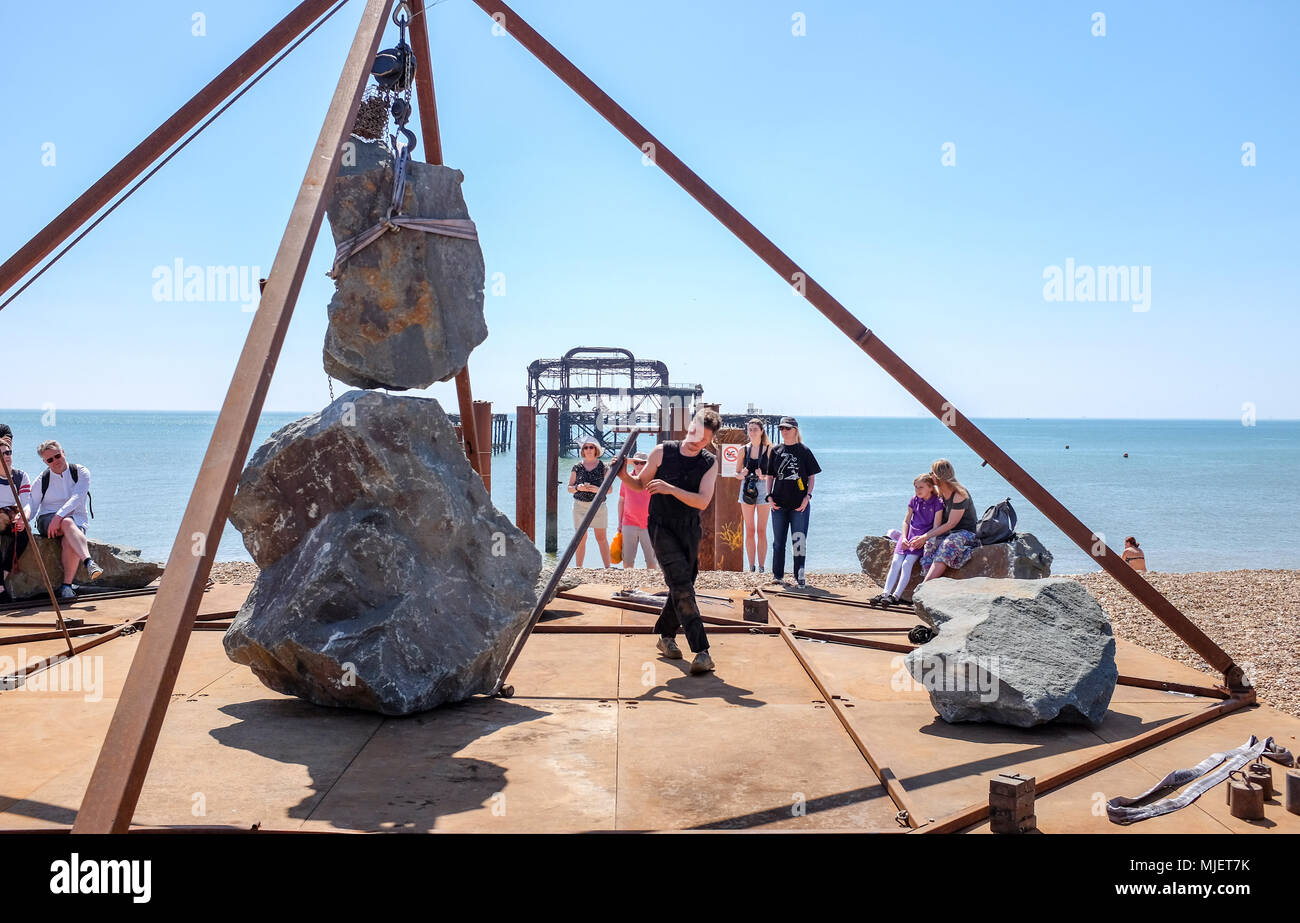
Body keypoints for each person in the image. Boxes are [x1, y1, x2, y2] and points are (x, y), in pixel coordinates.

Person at [617, 409, 721, 674]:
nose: (696, 441)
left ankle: (665, 636)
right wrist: (622, 476)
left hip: (689, 528)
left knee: (682, 584)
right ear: (689, 426)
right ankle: (702, 652)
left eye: (703, 440)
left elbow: (702, 501)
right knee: (681, 585)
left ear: (709, 441)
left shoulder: (709, 462)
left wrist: (671, 489)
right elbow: (640, 485)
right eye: (695, 433)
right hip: (660, 526)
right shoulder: (662, 452)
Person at [26, 440, 102, 600]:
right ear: (45, 462)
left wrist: (60, 516)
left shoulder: (80, 472)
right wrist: (23, 519)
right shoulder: (42, 479)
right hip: (47, 520)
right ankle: (88, 562)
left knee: (69, 537)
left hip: (76, 520)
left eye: (57, 456)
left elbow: (78, 496)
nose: (55, 461)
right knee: (67, 521)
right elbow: (32, 505)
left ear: (63, 453)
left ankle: (66, 587)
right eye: (49, 460)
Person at [765, 417, 821, 589]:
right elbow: (770, 476)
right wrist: (769, 496)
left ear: (795, 430)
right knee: (778, 542)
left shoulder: (804, 451)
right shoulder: (775, 451)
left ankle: (800, 575)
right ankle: (778, 575)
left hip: (799, 505)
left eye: (787, 428)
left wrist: (808, 497)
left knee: (799, 540)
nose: (783, 431)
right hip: (779, 504)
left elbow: (812, 476)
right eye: (781, 428)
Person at [873, 473, 945, 606]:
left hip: (921, 539)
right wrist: (904, 537)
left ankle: (895, 596)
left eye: (921, 487)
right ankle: (885, 593)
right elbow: (906, 521)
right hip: (908, 536)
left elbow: (936, 527)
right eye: (916, 487)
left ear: (930, 487)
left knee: (907, 564)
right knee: (895, 563)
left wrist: (923, 539)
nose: (918, 490)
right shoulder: (913, 500)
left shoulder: (938, 503)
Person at [915, 458, 979, 582]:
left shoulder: (959, 494)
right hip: (949, 533)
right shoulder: (941, 493)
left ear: (937, 476)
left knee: (947, 544)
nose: (930, 476)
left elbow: (951, 523)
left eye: (931, 473)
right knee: (930, 543)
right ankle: (928, 579)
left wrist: (924, 536)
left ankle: (925, 584)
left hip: (967, 533)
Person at [568, 437, 612, 568]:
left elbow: (609, 490)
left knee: (601, 538)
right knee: (580, 539)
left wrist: (598, 490)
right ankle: (579, 568)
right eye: (585, 447)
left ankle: (608, 568)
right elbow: (569, 488)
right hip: (579, 506)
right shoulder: (577, 467)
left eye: (591, 447)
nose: (588, 450)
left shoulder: (604, 467)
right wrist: (577, 488)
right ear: (582, 450)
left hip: (598, 507)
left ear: (596, 450)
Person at [0, 433, 33, 603]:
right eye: (2, 453)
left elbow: (26, 502)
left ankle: (2, 579)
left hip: (13, 514)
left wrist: (23, 517)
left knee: (24, 533)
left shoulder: (20, 476)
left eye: (9, 452)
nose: (7, 456)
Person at [738, 418, 773, 572]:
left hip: (763, 488)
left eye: (755, 429)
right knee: (750, 529)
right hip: (746, 487)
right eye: (750, 429)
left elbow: (775, 474)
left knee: (761, 530)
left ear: (761, 431)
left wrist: (764, 475)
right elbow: (736, 473)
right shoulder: (743, 450)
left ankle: (762, 566)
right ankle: (751, 566)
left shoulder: (769, 449)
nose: (752, 432)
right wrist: (742, 474)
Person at [615, 452, 656, 570]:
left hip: (648, 525)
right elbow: (621, 501)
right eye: (636, 463)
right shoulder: (626, 479)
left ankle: (652, 586)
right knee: (627, 560)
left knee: (651, 560)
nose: (639, 465)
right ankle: (628, 586)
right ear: (633, 464)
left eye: (643, 463)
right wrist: (619, 523)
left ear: (647, 465)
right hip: (629, 523)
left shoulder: (653, 479)